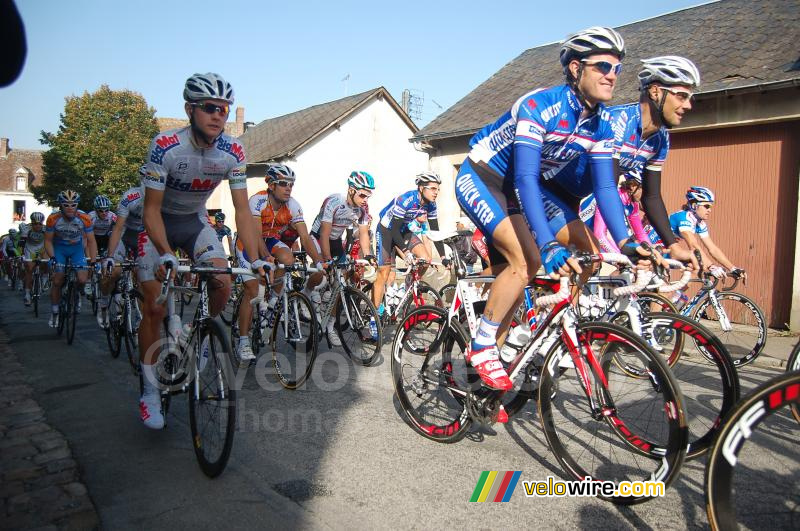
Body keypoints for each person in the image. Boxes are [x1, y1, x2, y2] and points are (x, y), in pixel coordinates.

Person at [453, 27, 647, 393]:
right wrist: (548, 243)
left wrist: (626, 242)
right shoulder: (539, 106)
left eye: (618, 68)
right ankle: (481, 345)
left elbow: (606, 187)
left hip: (516, 188)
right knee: (527, 260)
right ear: (576, 69)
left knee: (562, 261)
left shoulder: (602, 122)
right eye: (603, 66)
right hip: (482, 176)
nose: (612, 75)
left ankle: (500, 351)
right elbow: (526, 178)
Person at [137, 72, 263, 429]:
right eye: (210, 108)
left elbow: (242, 211)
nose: (218, 115)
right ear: (190, 109)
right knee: (154, 306)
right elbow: (149, 210)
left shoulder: (233, 151)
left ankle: (200, 333)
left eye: (223, 109)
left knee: (223, 280)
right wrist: (165, 252)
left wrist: (255, 259)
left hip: (194, 221)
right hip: (160, 222)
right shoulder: (164, 146)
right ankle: (149, 393)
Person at [583, 56, 701, 265]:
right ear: (655, 92)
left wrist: (673, 246)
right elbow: (607, 185)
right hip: (569, 195)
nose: (689, 105)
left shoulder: (660, 139)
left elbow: (652, 197)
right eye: (682, 96)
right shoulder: (619, 121)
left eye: (690, 98)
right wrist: (626, 242)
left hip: (593, 202)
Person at [234, 163, 323, 361]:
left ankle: (273, 300)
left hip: (270, 241)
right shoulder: (257, 200)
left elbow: (305, 237)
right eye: (283, 184)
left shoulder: (293, 205)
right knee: (251, 290)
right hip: (247, 243)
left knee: (288, 259)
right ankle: (243, 341)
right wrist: (265, 257)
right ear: (271, 185)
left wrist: (318, 260)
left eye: (291, 184)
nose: (288, 188)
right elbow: (256, 236)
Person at [307, 171, 377, 340]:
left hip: (336, 240)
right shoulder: (334, 202)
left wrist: (368, 255)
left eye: (369, 195)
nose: (365, 199)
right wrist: (327, 259)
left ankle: (330, 326)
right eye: (362, 194)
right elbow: (324, 234)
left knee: (342, 282)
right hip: (318, 237)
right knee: (320, 272)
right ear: (351, 190)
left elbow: (363, 233)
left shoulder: (363, 208)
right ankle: (307, 291)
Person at [373, 172, 448, 314]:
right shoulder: (406, 199)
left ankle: (407, 287)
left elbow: (435, 231)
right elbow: (393, 229)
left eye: (438, 189)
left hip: (403, 230)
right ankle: (374, 315)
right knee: (384, 272)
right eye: (432, 188)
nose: (436, 192)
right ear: (421, 188)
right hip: (386, 231)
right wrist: (406, 252)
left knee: (425, 260)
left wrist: (444, 257)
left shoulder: (431, 205)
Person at [44, 190, 97, 327]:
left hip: (76, 250)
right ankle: (55, 312)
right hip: (59, 249)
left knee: (82, 279)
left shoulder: (84, 218)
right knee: (57, 280)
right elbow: (48, 241)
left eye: (73, 205)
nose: (70, 208)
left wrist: (93, 260)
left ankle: (76, 293)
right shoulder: (53, 218)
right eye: (66, 205)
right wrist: (53, 257)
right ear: (60, 206)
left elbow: (91, 241)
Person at [99, 175, 145, 328]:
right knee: (113, 272)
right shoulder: (130, 197)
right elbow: (118, 228)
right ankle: (104, 303)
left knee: (143, 278)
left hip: (142, 238)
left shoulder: (163, 199)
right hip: (124, 236)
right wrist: (110, 256)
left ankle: (141, 318)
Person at [669, 186, 745, 280]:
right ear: (694, 205)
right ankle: (673, 294)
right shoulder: (684, 217)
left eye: (710, 206)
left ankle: (676, 294)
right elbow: (694, 247)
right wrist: (711, 267)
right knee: (696, 263)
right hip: (656, 248)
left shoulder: (699, 223)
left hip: (668, 250)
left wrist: (732, 268)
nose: (709, 210)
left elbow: (712, 248)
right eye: (706, 206)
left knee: (696, 266)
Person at [21, 212, 48, 305]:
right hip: (30, 249)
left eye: (40, 224)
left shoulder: (45, 229)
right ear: (32, 223)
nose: (37, 226)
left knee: (46, 261)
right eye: (35, 224)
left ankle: (44, 279)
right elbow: (22, 243)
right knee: (29, 269)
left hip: (41, 248)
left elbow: (50, 241)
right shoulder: (26, 229)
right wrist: (22, 255)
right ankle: (27, 294)